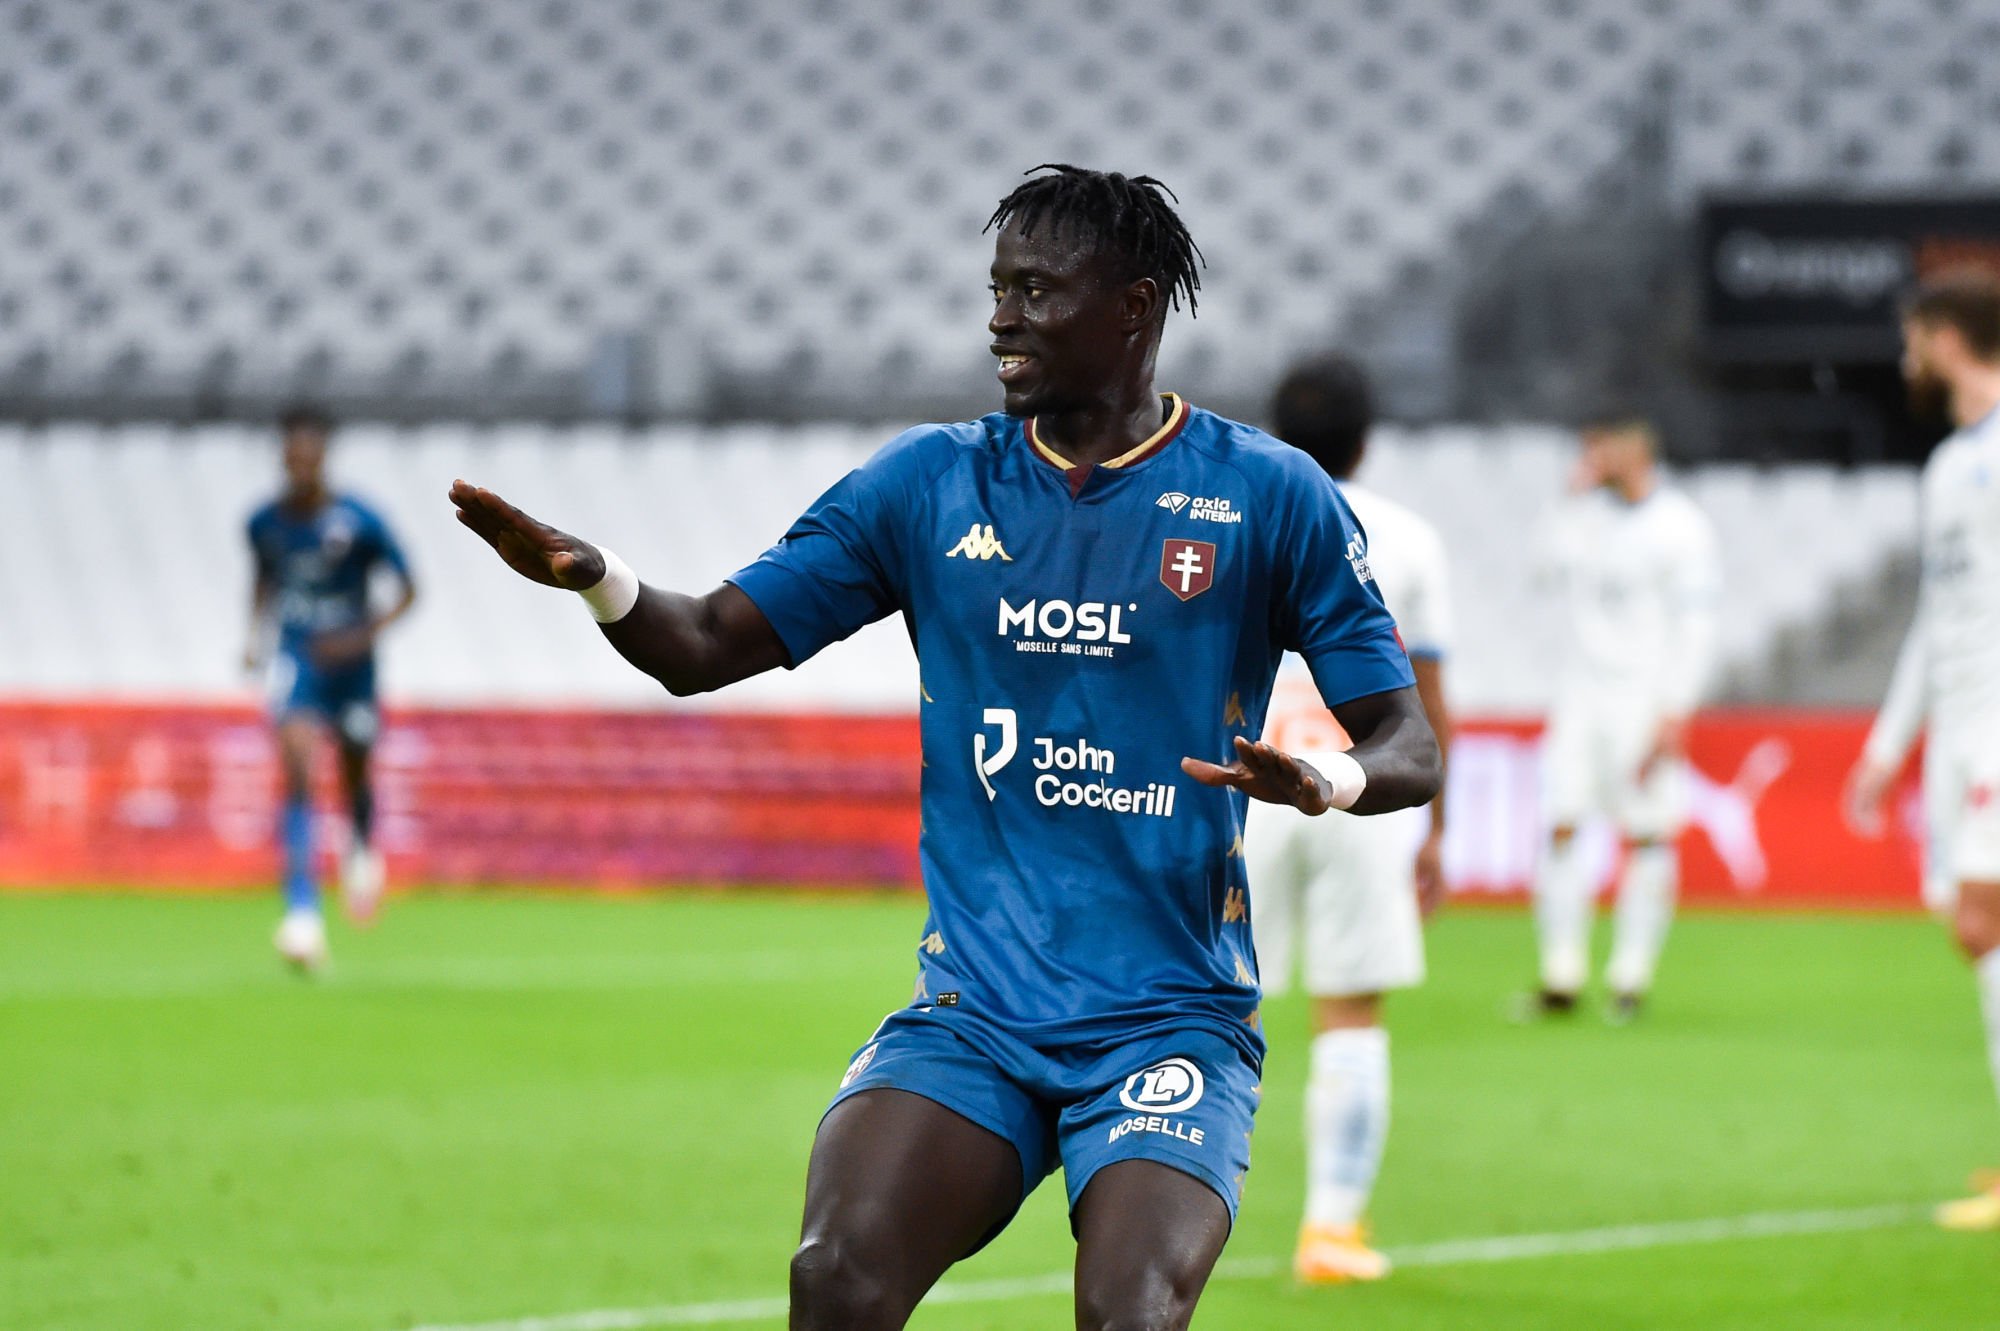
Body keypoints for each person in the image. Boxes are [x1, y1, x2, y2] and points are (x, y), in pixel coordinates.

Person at [449, 164, 1442, 1330]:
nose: (999, 318)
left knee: (1130, 1314)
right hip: (978, 1012)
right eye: (994, 288)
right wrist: (600, 580)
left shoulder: (1270, 497)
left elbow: (1405, 740)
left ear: (1130, 307)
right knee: (835, 1275)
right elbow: (705, 641)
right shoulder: (927, 483)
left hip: (1167, 1020)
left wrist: (1320, 776)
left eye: (1034, 290)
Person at [1248, 354, 1454, 1283]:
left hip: (1245, 783)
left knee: (1201, 1006)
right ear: (1367, 439)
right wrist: (1434, 819)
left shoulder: (1236, 511)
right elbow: (1429, 692)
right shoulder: (1408, 537)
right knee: (1351, 1011)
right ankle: (1330, 1229)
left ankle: (1157, 1212)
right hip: (1356, 782)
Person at [1846, 269, 2000, 1232]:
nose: (1905, 355)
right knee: (1976, 927)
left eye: (1913, 336)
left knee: (1984, 920)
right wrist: (1888, 743)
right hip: (1957, 722)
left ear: (1946, 336)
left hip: (1997, 724)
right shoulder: (1951, 462)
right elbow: (1937, 614)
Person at [1524, 412, 1719, 1023]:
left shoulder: (1682, 527)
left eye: (1599, 445)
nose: (1590, 456)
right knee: (1561, 823)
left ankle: (1631, 975)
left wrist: (1676, 709)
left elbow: (1696, 625)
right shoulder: (1585, 516)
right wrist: (1567, 501)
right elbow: (1540, 573)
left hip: (1643, 698)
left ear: (1633, 447)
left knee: (1648, 832)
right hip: (1579, 697)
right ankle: (1561, 973)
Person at [245, 405, 416, 970]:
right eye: (291, 454)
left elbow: (409, 588)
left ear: (323, 457)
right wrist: (254, 637)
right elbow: (264, 578)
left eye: (308, 453)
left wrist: (364, 635)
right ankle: (301, 915)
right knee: (297, 771)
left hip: (353, 666)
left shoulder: (360, 520)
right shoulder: (264, 523)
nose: (299, 464)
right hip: (298, 656)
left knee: (354, 764)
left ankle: (361, 845)